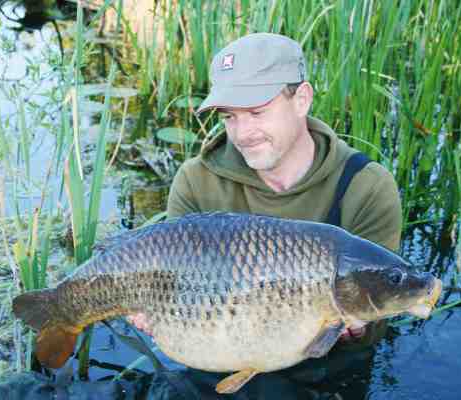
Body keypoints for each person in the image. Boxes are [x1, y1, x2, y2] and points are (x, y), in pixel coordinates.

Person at [129, 32, 402, 342]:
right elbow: (175, 287)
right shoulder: (195, 181)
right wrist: (159, 313)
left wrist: (362, 328)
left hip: (331, 367)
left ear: (302, 100)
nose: (243, 133)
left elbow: (382, 310)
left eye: (257, 112)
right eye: (229, 116)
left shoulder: (365, 186)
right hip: (219, 347)